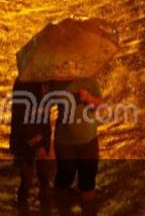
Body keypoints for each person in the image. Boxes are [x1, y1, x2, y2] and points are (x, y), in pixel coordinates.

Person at [53, 78, 102, 212]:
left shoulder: (89, 78)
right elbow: (45, 104)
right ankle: (63, 210)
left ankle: (88, 211)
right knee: (64, 179)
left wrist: (88, 98)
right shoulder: (55, 79)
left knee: (88, 182)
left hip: (89, 141)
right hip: (65, 142)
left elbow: (100, 104)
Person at [9, 78, 54, 203]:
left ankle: (43, 205)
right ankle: (23, 206)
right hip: (25, 137)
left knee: (44, 178)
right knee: (27, 180)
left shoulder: (47, 80)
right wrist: (37, 144)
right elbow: (21, 117)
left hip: (42, 132)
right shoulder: (23, 82)